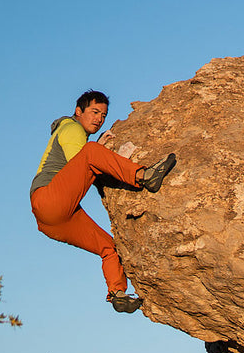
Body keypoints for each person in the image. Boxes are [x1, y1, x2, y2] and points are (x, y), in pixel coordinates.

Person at [30, 90, 176, 313]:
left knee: (109, 247)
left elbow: (80, 168)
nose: (99, 118)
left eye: (103, 115)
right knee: (91, 151)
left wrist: (98, 148)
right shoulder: (71, 127)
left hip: (55, 220)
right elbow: (81, 161)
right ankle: (144, 176)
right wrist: (100, 149)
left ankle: (117, 293)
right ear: (78, 111)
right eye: (94, 111)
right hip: (48, 198)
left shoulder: (76, 132)